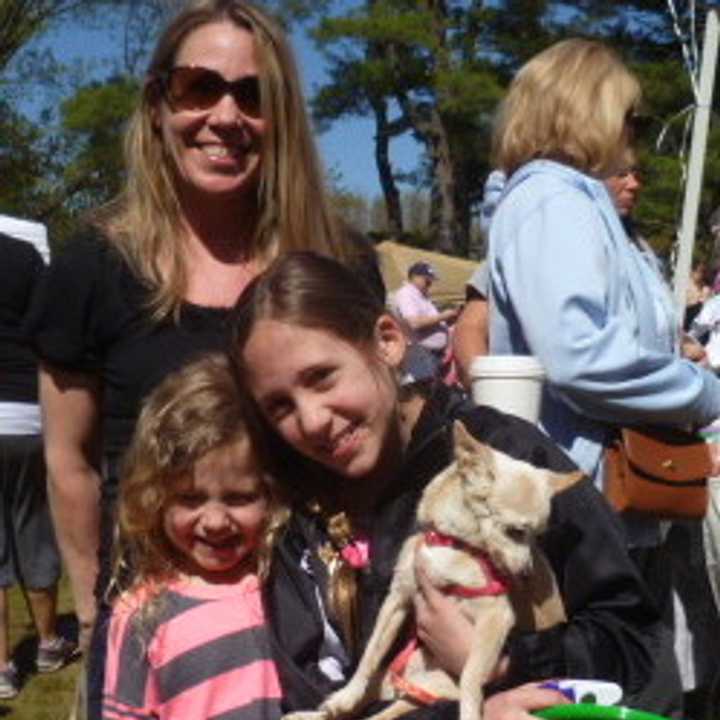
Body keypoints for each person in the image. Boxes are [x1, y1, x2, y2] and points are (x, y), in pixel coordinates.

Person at [26, 1, 380, 716]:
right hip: (158, 634)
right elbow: (70, 460)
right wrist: (99, 614)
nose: (226, 115)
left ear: (280, 117)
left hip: (318, 641)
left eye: (253, 94)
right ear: (158, 103)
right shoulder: (93, 265)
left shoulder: (337, 262)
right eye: (199, 87)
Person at [228, 251, 665, 720]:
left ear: (387, 340)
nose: (312, 420)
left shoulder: (510, 461)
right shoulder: (296, 513)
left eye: (322, 378)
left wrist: (505, 661)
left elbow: (631, 639)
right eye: (279, 406)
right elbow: (307, 687)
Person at [485, 38, 720, 717]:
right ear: (588, 111)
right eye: (630, 119)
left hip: (609, 509)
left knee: (641, 691)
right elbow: (580, 355)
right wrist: (702, 392)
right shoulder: (555, 201)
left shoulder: (573, 206)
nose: (635, 138)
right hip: (580, 513)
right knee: (620, 695)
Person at [102, 354, 286, 720]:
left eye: (239, 498)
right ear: (155, 496)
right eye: (190, 498)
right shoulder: (141, 615)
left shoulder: (289, 584)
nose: (215, 521)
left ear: (274, 495)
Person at [0, 231, 78, 700]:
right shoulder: (24, 255)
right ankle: (49, 643)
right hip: (28, 411)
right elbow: (53, 325)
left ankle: (3, 668)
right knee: (34, 528)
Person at [392, 262, 459, 375]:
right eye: (427, 280)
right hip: (421, 354)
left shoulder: (421, 296)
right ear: (414, 277)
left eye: (431, 280)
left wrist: (447, 321)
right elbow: (413, 323)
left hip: (431, 355)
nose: (430, 283)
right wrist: (443, 316)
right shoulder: (406, 294)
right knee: (424, 388)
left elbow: (430, 320)